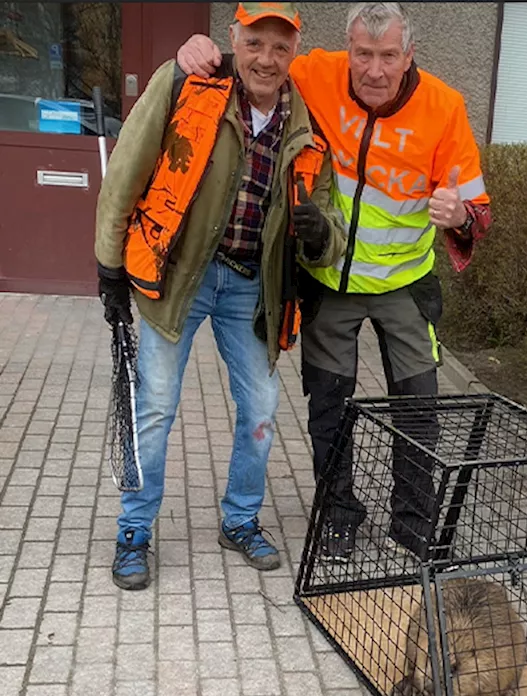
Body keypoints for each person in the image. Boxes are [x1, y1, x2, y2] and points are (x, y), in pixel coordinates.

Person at [176, 2, 492, 563]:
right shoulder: (315, 72)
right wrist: (196, 54)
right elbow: (256, 65)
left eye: (388, 56)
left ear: (409, 54)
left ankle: (413, 522)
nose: (373, 70)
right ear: (347, 51)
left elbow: (479, 213)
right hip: (329, 279)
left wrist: (461, 217)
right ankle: (338, 514)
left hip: (404, 285)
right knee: (330, 406)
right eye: (363, 55)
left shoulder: (445, 108)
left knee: (419, 408)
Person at [96, 2, 346, 590]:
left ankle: (238, 519)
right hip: (181, 273)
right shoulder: (188, 84)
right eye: (255, 42)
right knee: (154, 408)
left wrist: (318, 237)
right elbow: (126, 169)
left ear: (294, 54)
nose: (266, 58)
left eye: (280, 47)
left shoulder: (306, 130)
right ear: (234, 37)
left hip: (250, 289)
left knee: (261, 410)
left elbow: (330, 231)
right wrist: (109, 264)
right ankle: (134, 529)